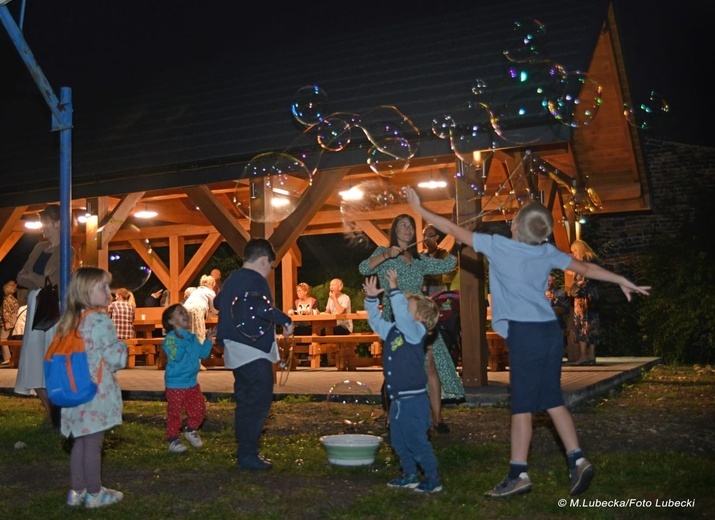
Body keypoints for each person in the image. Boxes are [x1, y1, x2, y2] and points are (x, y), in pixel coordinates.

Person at [405, 186, 650, 498]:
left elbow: (454, 230)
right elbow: (586, 268)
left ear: (516, 227)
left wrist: (421, 208)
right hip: (549, 330)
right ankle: (577, 458)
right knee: (551, 399)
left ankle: (518, 474)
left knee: (521, 408)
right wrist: (621, 280)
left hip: (525, 334)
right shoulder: (546, 252)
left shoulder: (499, 247)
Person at [358, 213, 464, 433]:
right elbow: (363, 269)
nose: (406, 229)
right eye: (402, 225)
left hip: (419, 316)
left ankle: (437, 418)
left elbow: (446, 266)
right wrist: (387, 254)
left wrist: (455, 241)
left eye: (410, 226)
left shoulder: (419, 259)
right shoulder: (383, 252)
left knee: (431, 364)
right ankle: (391, 414)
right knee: (397, 368)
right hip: (395, 315)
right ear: (395, 230)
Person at [214, 238, 295, 471]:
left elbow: (219, 303)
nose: (269, 272)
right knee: (258, 400)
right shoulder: (256, 279)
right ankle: (248, 453)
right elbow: (260, 308)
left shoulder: (232, 279)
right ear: (263, 261)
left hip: (234, 349)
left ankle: (245, 449)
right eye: (271, 266)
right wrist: (286, 320)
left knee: (245, 399)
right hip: (252, 349)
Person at [364, 269, 443, 493]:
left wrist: (395, 289)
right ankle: (409, 475)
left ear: (420, 317)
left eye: (408, 307)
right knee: (399, 443)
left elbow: (401, 314)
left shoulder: (415, 331)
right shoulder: (395, 331)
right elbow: (376, 323)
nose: (403, 310)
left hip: (414, 402)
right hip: (398, 401)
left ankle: (432, 477)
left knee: (417, 442)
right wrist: (371, 299)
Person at [59, 267, 127, 508]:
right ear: (87, 291)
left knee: (79, 441)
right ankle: (95, 494)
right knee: (93, 444)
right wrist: (122, 346)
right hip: (95, 393)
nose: (109, 292)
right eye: (103, 287)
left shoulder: (71, 320)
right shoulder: (99, 320)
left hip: (74, 391)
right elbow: (115, 359)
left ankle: (77, 490)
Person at [14, 205, 77, 422]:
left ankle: (59, 413)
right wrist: (37, 278)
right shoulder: (39, 247)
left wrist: (33, 277)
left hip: (53, 309)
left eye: (44, 222)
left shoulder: (68, 250)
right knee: (33, 359)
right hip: (34, 308)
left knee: (52, 358)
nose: (42, 226)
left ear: (58, 223)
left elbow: (56, 282)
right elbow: (20, 277)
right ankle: (51, 413)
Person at [161, 303, 213, 453]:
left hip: (192, 382)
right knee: (174, 412)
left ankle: (191, 430)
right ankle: (172, 439)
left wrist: (208, 340)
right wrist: (182, 341)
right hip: (175, 384)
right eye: (180, 312)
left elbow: (202, 354)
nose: (185, 313)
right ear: (171, 321)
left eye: (184, 311)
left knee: (199, 409)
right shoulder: (170, 339)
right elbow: (175, 356)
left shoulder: (192, 337)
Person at [421, 224, 458, 297]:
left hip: (439, 295)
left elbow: (437, 273)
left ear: (437, 237)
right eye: (424, 235)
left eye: (430, 235)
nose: (426, 238)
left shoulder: (442, 253)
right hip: (423, 295)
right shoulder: (420, 255)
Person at [184, 274, 218, 343]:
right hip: (197, 310)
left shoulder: (196, 291)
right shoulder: (210, 292)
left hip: (184, 309)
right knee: (199, 335)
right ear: (212, 284)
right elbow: (214, 309)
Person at [545, 272, 570, 351]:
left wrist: (555, 299)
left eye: (549, 281)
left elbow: (566, 309)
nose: (547, 283)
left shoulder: (561, 293)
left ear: (554, 283)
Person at [1, 280, 19, 365]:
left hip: (8, 322)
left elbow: (6, 312)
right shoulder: (14, 299)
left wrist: (7, 322)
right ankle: (13, 358)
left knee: (2, 339)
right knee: (10, 340)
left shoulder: (6, 299)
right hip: (14, 321)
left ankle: (7, 358)